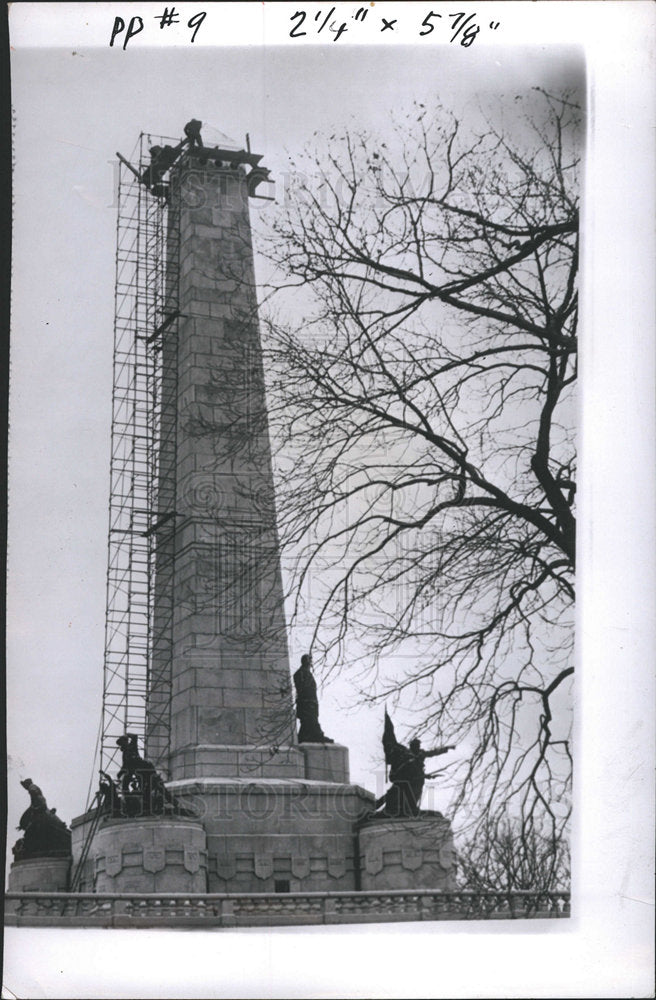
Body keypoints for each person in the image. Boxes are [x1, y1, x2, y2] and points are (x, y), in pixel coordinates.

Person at [376, 712, 455, 817]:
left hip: (417, 779)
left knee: (414, 794)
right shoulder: (406, 755)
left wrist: (445, 749)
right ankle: (389, 807)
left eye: (418, 745)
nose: (417, 747)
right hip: (406, 779)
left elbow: (432, 753)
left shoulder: (420, 754)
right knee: (397, 792)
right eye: (415, 745)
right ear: (412, 746)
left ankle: (410, 808)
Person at [293, 653, 334, 743]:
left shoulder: (306, 673)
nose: (310, 664)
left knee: (309, 722)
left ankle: (305, 736)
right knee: (310, 720)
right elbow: (302, 689)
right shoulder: (300, 674)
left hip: (311, 702)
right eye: (309, 662)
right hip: (306, 703)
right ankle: (317, 735)